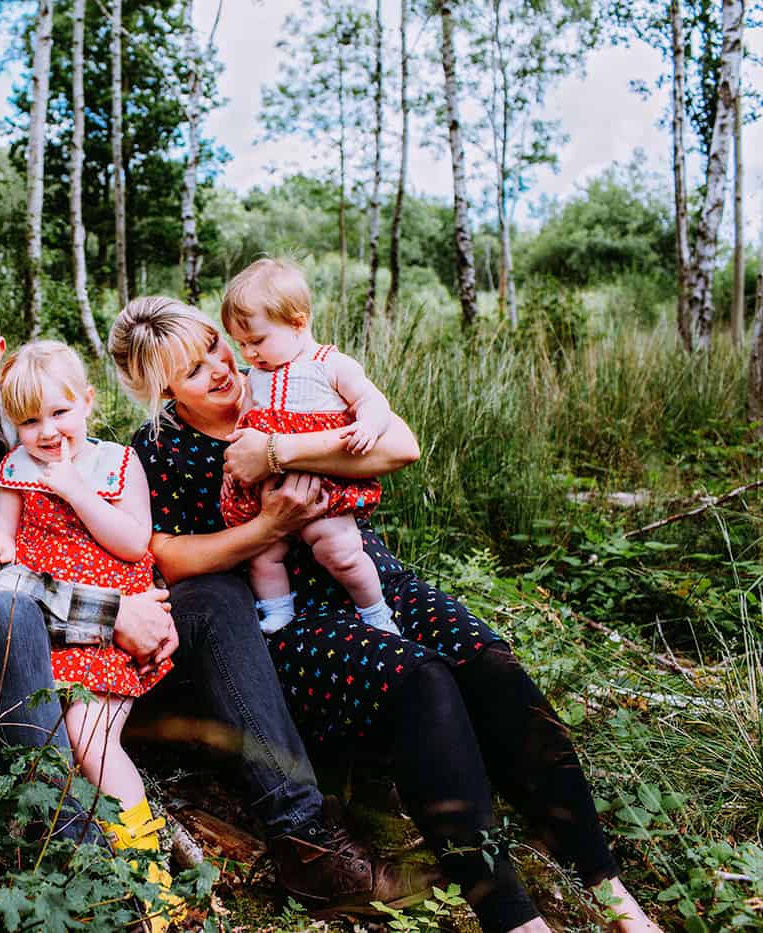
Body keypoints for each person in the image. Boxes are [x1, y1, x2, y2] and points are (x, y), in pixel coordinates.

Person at [0, 280, 434, 917]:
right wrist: (115, 614)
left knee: (212, 594)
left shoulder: (24, 421)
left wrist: (146, 593)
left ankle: (307, 842)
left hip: (71, 664)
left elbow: (109, 525)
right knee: (5, 616)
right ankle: (94, 876)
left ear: (1, 357)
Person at [109, 295, 664, 933]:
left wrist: (279, 453)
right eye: (190, 370)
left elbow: (398, 444)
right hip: (286, 615)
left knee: (488, 664)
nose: (218, 368)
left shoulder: (287, 382)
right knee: (420, 680)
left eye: (213, 346)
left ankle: (608, 887)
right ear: (155, 390)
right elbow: (167, 557)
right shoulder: (156, 450)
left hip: (371, 580)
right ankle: (510, 914)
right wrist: (265, 527)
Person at [0, 340, 178, 925]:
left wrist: (77, 494)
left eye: (59, 413)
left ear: (86, 401)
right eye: (29, 420)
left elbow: (135, 542)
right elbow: (5, 539)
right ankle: (75, 867)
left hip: (109, 622)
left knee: (90, 739)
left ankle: (148, 872)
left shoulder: (113, 463)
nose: (46, 431)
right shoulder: (15, 469)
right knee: (50, 735)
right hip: (50, 620)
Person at [218, 258, 396, 636]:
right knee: (264, 558)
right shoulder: (256, 378)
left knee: (341, 552)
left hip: (323, 487)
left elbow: (373, 402)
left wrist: (367, 424)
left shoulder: (330, 364)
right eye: (241, 344)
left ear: (298, 323)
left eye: (258, 341)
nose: (249, 354)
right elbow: (243, 425)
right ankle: (278, 611)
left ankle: (376, 612)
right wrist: (230, 468)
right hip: (268, 493)